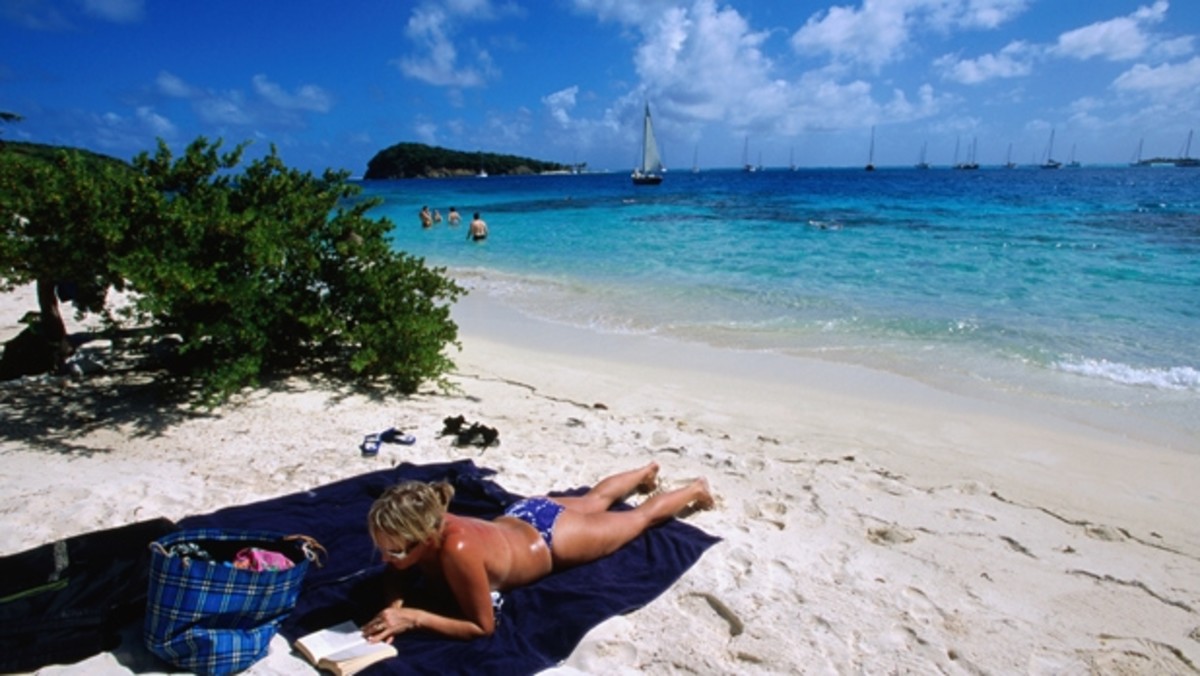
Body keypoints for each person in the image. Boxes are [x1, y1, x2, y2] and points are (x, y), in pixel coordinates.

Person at [362, 462, 712, 641]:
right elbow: (396, 572)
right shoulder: (429, 518)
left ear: (423, 539)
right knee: (594, 500)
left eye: (394, 551)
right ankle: (645, 471)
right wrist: (395, 604)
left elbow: (482, 627)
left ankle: (696, 487)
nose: (386, 559)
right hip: (522, 514)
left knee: (640, 518)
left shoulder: (458, 548)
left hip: (550, 538)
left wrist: (414, 617)